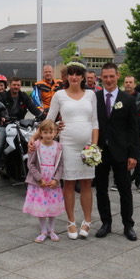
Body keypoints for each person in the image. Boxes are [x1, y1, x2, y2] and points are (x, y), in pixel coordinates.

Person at [46, 62, 98, 240]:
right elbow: (49, 120)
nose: (74, 77)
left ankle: (87, 220)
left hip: (87, 146)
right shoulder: (59, 95)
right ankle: (71, 221)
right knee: (68, 183)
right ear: (67, 77)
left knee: (86, 183)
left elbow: (95, 122)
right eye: (71, 74)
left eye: (77, 74)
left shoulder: (91, 95)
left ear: (83, 77)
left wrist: (94, 147)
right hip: (67, 145)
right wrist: (53, 128)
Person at [95, 63, 140, 241]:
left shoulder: (127, 100)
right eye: (105, 76)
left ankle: (128, 225)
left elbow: (134, 129)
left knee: (125, 191)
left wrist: (134, 155)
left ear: (118, 76)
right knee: (101, 190)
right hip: (100, 152)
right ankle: (105, 223)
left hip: (122, 152)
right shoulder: (95, 98)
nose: (108, 80)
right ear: (101, 77)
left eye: (111, 76)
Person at [0, 77, 44, 190]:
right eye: (14, 85)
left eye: (18, 85)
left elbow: (32, 107)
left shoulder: (23, 96)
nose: (16, 87)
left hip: (20, 125)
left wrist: (43, 117)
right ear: (10, 85)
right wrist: (1, 117)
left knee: (30, 144)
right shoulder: (3, 96)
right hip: (5, 126)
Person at [23, 119, 65, 242]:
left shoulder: (59, 147)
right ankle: (43, 230)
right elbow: (30, 164)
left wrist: (56, 179)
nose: (48, 135)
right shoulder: (36, 145)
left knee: (52, 206)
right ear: (40, 133)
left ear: (55, 132)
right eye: (45, 132)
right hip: (40, 182)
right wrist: (39, 178)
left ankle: (51, 230)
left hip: (52, 182)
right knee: (41, 206)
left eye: (51, 132)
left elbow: (60, 165)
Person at [123, 75, 140, 193]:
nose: (128, 84)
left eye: (130, 82)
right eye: (126, 82)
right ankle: (121, 181)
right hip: (122, 133)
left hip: (136, 132)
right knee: (121, 158)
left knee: (138, 157)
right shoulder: (119, 96)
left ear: (134, 84)